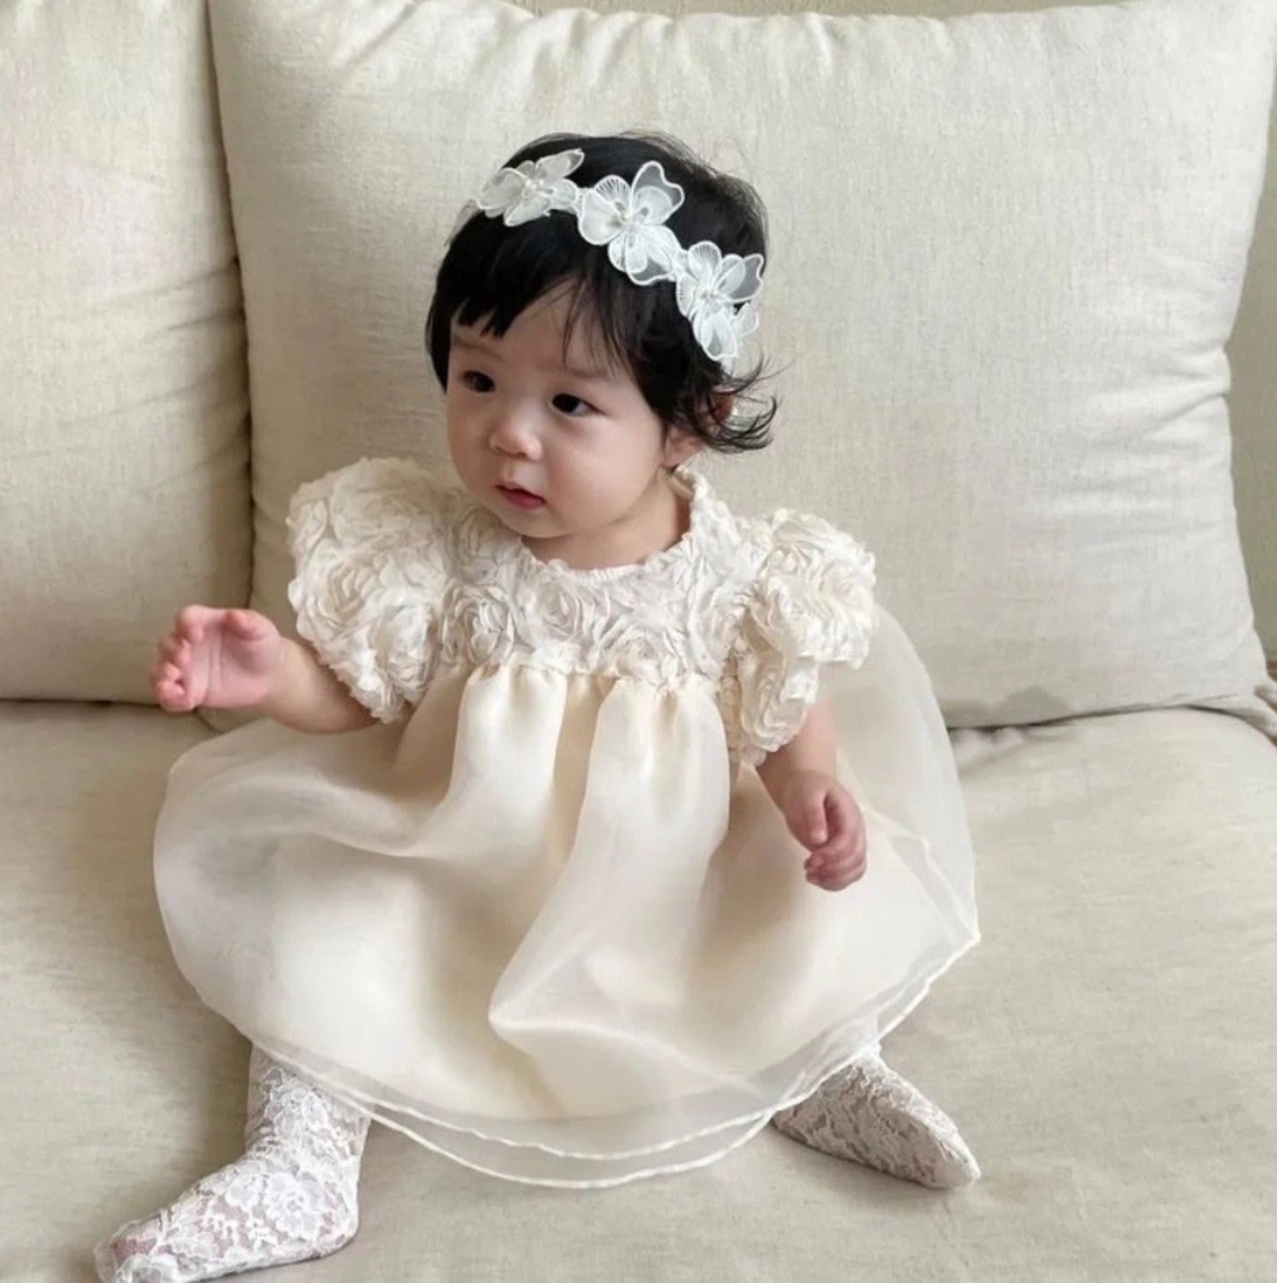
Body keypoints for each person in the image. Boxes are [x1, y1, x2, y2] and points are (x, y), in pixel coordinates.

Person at [96, 132, 981, 1283]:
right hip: (450, 861)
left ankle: (814, 1069)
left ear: (687, 420)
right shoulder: (434, 544)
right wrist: (267, 678)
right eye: (477, 380)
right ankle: (298, 1159)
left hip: (665, 880)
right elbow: (364, 697)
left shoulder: (736, 575)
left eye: (568, 401)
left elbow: (778, 707)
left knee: (789, 926)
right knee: (317, 927)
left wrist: (810, 785)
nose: (507, 433)